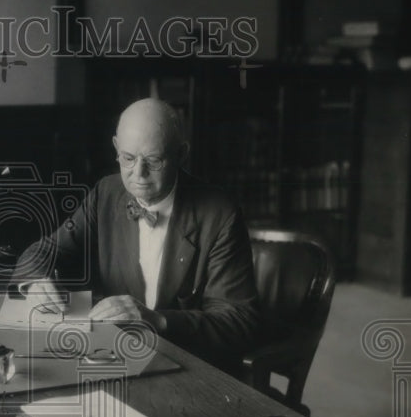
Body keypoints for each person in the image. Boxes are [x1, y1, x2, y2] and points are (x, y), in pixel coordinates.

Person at [16, 97, 262, 375]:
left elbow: (239, 321)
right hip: (111, 357)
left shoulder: (220, 214)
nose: (139, 174)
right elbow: (43, 251)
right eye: (128, 158)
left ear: (181, 154)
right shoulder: (105, 194)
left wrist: (158, 320)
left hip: (187, 366)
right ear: (116, 149)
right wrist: (35, 283)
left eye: (154, 161)